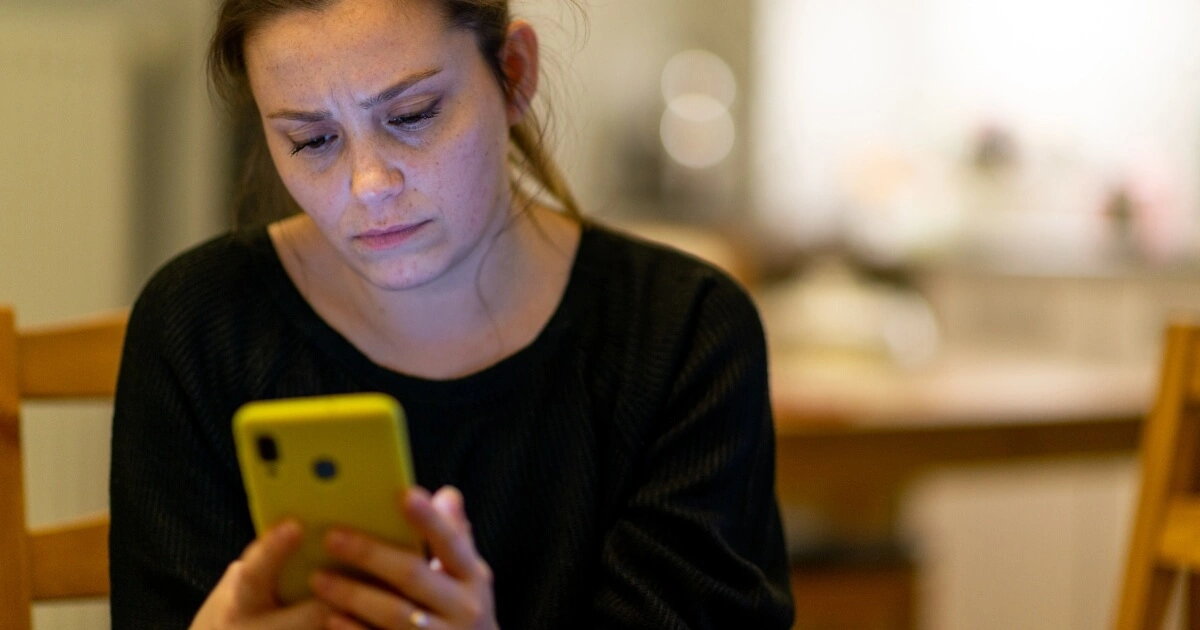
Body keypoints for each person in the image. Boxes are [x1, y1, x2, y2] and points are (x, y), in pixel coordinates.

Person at [108, 0, 795, 627]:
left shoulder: (681, 332)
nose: (369, 185)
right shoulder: (197, 325)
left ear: (514, 74)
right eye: (312, 140)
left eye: (412, 115)